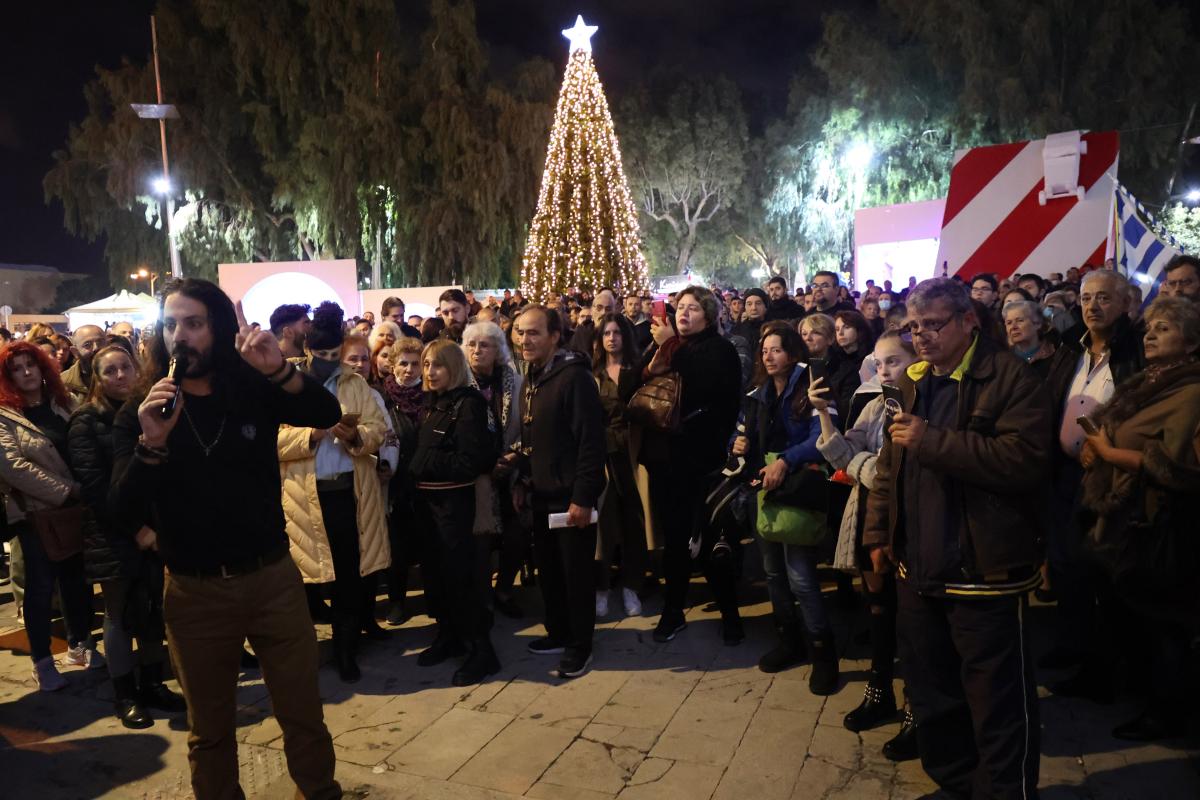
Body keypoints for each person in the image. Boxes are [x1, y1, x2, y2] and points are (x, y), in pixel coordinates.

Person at [110, 278, 343, 799]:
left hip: (271, 579)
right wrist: (151, 444)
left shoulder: (250, 390)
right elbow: (119, 508)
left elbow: (326, 416)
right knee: (211, 731)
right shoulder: (144, 410)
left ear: (216, 327)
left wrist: (278, 369)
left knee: (302, 712)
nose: (180, 336)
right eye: (171, 324)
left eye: (193, 323)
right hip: (194, 593)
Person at [863, 277, 1050, 800]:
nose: (920, 337)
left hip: (983, 571)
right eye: (913, 327)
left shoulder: (1010, 377)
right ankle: (958, 785)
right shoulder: (912, 382)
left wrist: (936, 441)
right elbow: (888, 467)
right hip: (917, 571)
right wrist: (880, 534)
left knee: (997, 706)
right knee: (933, 698)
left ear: (969, 321)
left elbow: (1026, 462)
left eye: (933, 325)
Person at [1078, 296, 1200, 740]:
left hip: (1160, 522)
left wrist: (1111, 453)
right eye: (1150, 328)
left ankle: (1167, 712)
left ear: (1190, 340)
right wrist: (1099, 446)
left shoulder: (1190, 391)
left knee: (1163, 618)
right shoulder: (1150, 380)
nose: (1150, 334)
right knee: (1136, 613)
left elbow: (1183, 466)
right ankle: (1145, 692)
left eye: (1164, 328)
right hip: (1126, 514)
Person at [814, 330, 920, 758]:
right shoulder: (877, 405)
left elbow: (886, 475)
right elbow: (842, 454)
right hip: (868, 520)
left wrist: (862, 469)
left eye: (893, 361)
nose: (884, 370)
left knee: (912, 617)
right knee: (878, 607)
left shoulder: (921, 405)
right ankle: (880, 690)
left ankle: (917, 708)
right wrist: (823, 412)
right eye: (878, 362)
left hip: (907, 525)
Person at [1040, 270, 1144, 696]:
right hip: (1066, 474)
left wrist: (1106, 447)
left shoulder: (1134, 352)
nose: (1092, 306)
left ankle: (1107, 668)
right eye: (1086, 299)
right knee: (1068, 566)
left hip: (1109, 476)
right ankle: (1075, 647)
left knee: (1102, 572)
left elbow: (1139, 413)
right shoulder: (1071, 351)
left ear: (1125, 303)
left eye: (1104, 298)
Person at [70, 341, 185, 727]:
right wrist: (136, 529)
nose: (120, 376)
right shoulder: (86, 421)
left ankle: (153, 684)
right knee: (119, 614)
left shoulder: (148, 412)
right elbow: (94, 487)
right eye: (110, 371)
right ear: (97, 379)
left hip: (155, 529)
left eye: (125, 367)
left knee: (153, 609)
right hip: (112, 534)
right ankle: (125, 694)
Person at [278, 303, 390, 684]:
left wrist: (357, 435)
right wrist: (312, 433)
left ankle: (346, 649)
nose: (327, 361)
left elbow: (377, 429)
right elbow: (271, 438)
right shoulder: (287, 384)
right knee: (299, 578)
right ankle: (298, 650)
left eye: (333, 355)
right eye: (321, 355)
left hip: (349, 493)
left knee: (348, 575)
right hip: (301, 496)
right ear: (308, 350)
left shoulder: (355, 384)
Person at [735, 326, 839, 693]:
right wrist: (740, 441)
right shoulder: (758, 392)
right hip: (763, 486)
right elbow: (742, 429)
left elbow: (823, 437)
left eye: (776, 349)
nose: (768, 355)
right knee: (773, 573)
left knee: (801, 577)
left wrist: (787, 460)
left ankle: (824, 653)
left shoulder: (810, 385)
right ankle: (789, 640)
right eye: (764, 349)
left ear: (792, 353)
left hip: (794, 485)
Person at [641, 287, 744, 644]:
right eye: (679, 307)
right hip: (670, 459)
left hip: (706, 461)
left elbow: (705, 383)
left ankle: (731, 614)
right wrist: (660, 353)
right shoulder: (674, 348)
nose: (683, 313)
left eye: (693, 308)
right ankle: (673, 612)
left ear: (710, 314)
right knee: (675, 541)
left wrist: (670, 344)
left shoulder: (719, 349)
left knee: (714, 542)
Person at [0, 341, 101, 691]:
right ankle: (42, 661)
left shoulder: (63, 403)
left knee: (76, 581)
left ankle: (79, 643)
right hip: (35, 514)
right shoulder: (5, 415)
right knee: (40, 587)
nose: (26, 372)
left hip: (73, 511)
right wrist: (67, 489)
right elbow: (13, 467)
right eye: (17, 367)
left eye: (31, 364)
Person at [512, 305, 606, 678]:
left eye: (533, 332)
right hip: (540, 495)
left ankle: (580, 646)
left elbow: (590, 443)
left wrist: (583, 497)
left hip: (570, 496)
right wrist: (521, 479)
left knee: (576, 575)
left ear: (554, 336)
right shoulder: (532, 377)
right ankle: (558, 632)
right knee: (550, 573)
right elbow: (531, 437)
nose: (524, 340)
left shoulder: (574, 378)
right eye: (519, 332)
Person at [410, 339, 500, 686]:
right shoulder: (434, 403)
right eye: (427, 364)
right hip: (430, 505)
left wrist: (426, 462)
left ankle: (481, 651)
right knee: (437, 576)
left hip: (455, 505)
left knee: (462, 578)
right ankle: (448, 636)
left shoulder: (468, 404)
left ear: (454, 367)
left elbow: (471, 461)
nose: (430, 372)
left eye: (438, 365)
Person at [461, 321, 526, 619]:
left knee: (516, 534)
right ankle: (482, 595)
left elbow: (527, 423)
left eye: (484, 345)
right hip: (477, 475)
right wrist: (488, 461)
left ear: (497, 350)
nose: (477, 351)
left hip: (511, 469)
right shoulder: (461, 383)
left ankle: (504, 589)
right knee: (481, 539)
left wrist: (513, 456)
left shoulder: (514, 380)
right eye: (472, 345)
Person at [591, 313, 647, 618]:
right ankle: (602, 587)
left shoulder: (638, 370)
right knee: (604, 523)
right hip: (603, 454)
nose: (611, 338)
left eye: (617, 332)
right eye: (606, 333)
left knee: (634, 523)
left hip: (634, 453)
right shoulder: (593, 373)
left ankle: (631, 586)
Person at [800, 313, 861, 430]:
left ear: (831, 339)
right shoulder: (797, 367)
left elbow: (847, 414)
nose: (807, 338)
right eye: (804, 334)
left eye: (816, 332)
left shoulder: (846, 370)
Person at [1002, 299, 1056, 379]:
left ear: (1037, 324)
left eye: (1020, 320)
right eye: (1009, 323)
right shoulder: (1003, 359)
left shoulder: (1055, 354)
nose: (1013, 327)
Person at [60, 324, 105, 402]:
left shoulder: (121, 376)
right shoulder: (64, 382)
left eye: (100, 342)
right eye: (87, 345)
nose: (96, 348)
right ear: (75, 352)